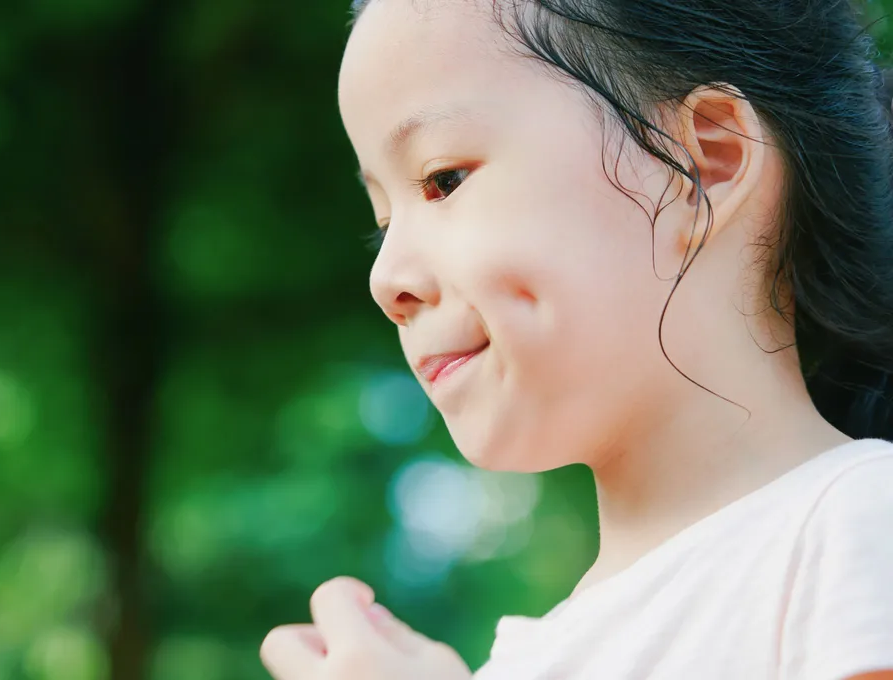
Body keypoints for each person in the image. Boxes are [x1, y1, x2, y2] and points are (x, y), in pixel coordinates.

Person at [259, 0, 893, 678]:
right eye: (385, 223)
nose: (386, 280)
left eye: (444, 181)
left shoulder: (856, 523)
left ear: (704, 163)